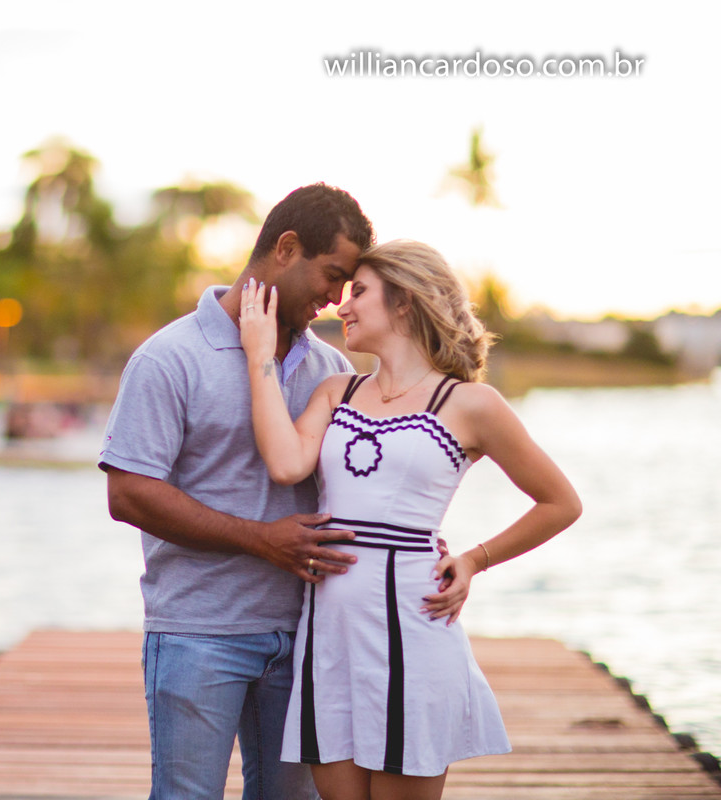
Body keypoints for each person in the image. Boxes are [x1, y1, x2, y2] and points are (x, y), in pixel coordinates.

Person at [238, 239, 582, 800]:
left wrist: (474, 559)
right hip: (330, 639)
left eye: (360, 293)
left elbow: (560, 502)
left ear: (404, 302)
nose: (342, 306)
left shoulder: (471, 404)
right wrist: (259, 359)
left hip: (414, 635)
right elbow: (284, 462)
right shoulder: (336, 391)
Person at [102, 183, 409, 799]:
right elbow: (129, 493)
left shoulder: (333, 374)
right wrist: (259, 540)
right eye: (331, 276)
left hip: (306, 635)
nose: (335, 299)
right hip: (197, 632)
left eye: (349, 287)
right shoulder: (169, 359)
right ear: (286, 248)